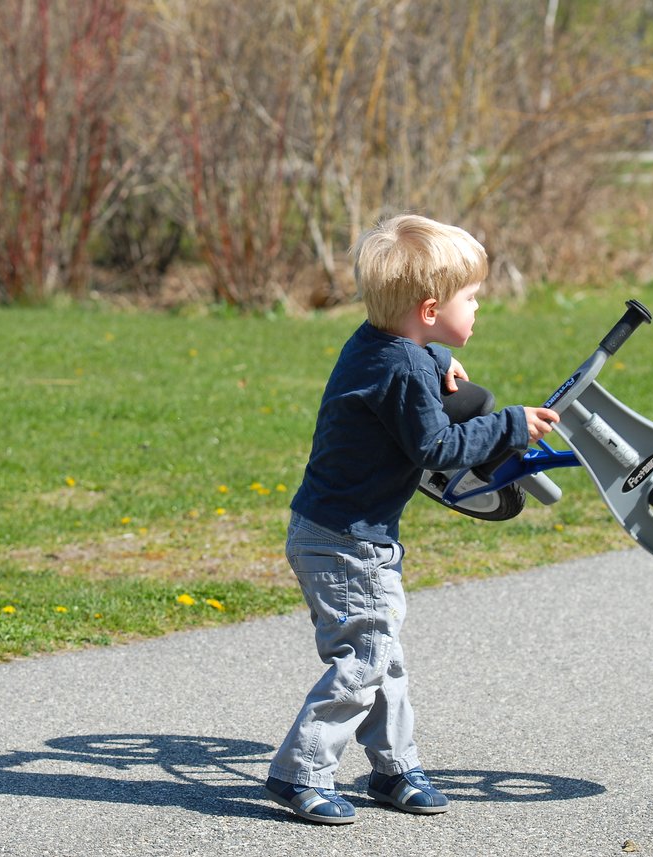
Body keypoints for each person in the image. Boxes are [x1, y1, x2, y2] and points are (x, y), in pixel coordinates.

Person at [264, 213, 560, 825]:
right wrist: (510, 424)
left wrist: (436, 363)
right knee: (362, 661)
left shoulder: (381, 343)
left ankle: (393, 768)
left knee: (382, 656)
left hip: (343, 533)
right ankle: (300, 774)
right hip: (346, 543)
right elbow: (436, 450)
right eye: (471, 299)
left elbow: (406, 366)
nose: (477, 310)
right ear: (429, 310)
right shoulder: (402, 366)